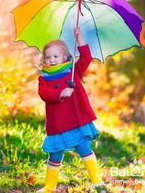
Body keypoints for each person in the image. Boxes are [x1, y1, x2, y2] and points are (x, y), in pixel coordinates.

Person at [37, 27, 108, 193]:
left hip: (75, 122)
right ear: (44, 60)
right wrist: (60, 93)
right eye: (48, 57)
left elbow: (86, 57)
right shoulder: (44, 78)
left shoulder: (73, 71)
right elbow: (44, 94)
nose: (52, 60)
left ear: (64, 57)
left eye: (55, 56)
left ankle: (98, 182)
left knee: (84, 149)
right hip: (58, 124)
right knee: (55, 155)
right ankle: (49, 187)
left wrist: (80, 39)